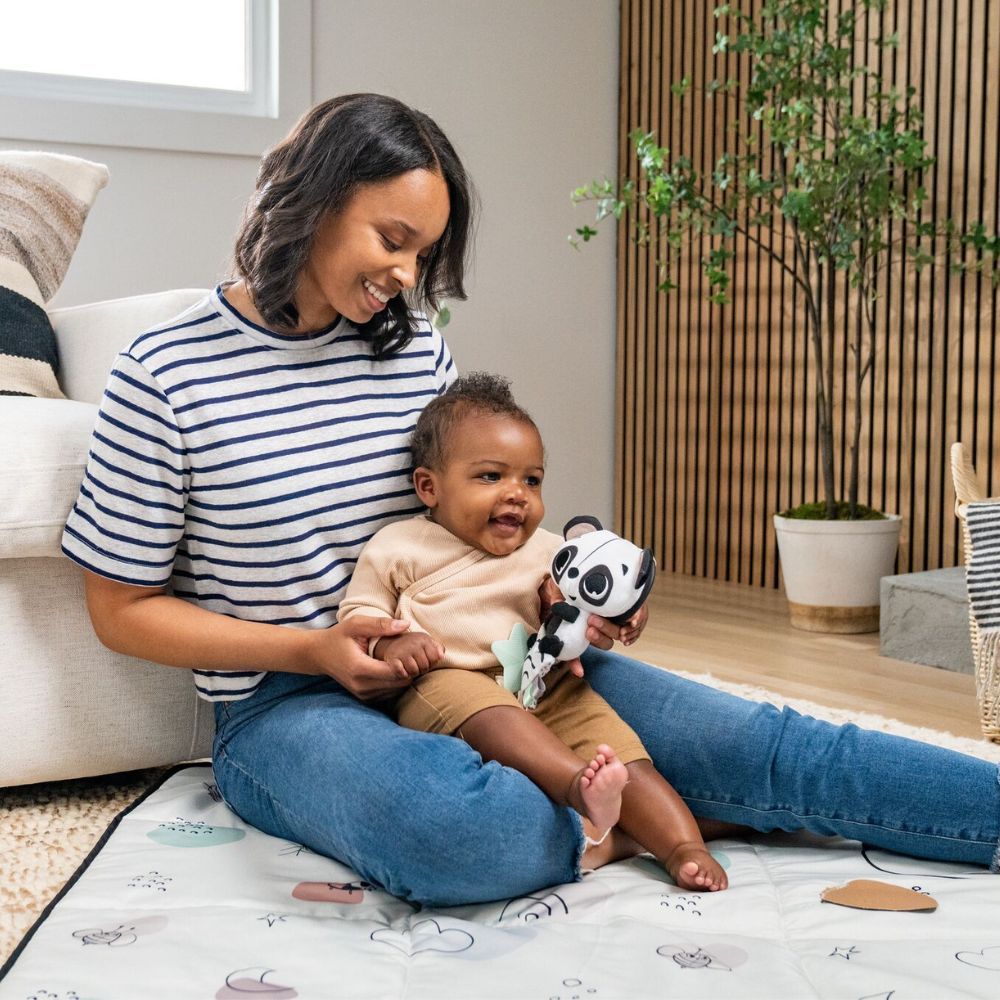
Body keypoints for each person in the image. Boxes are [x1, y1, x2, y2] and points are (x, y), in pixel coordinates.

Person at [62, 93, 999, 909]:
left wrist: (568, 582)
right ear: (313, 200)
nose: (404, 276)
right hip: (289, 707)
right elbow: (119, 611)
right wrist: (313, 648)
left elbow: (479, 506)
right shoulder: (167, 372)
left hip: (500, 658)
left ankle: (687, 799)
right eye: (392, 241)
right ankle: (657, 809)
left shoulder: (412, 348)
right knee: (464, 830)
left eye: (422, 254)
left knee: (767, 742)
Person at [338, 371, 727, 891]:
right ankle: (577, 789)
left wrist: (627, 613)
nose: (517, 495)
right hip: (445, 681)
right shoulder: (401, 545)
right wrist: (394, 642)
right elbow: (359, 617)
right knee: (494, 716)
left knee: (620, 749)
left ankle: (682, 846)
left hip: (542, 680)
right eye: (491, 477)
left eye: (532, 480)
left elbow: (594, 602)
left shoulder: (549, 552)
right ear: (429, 486)